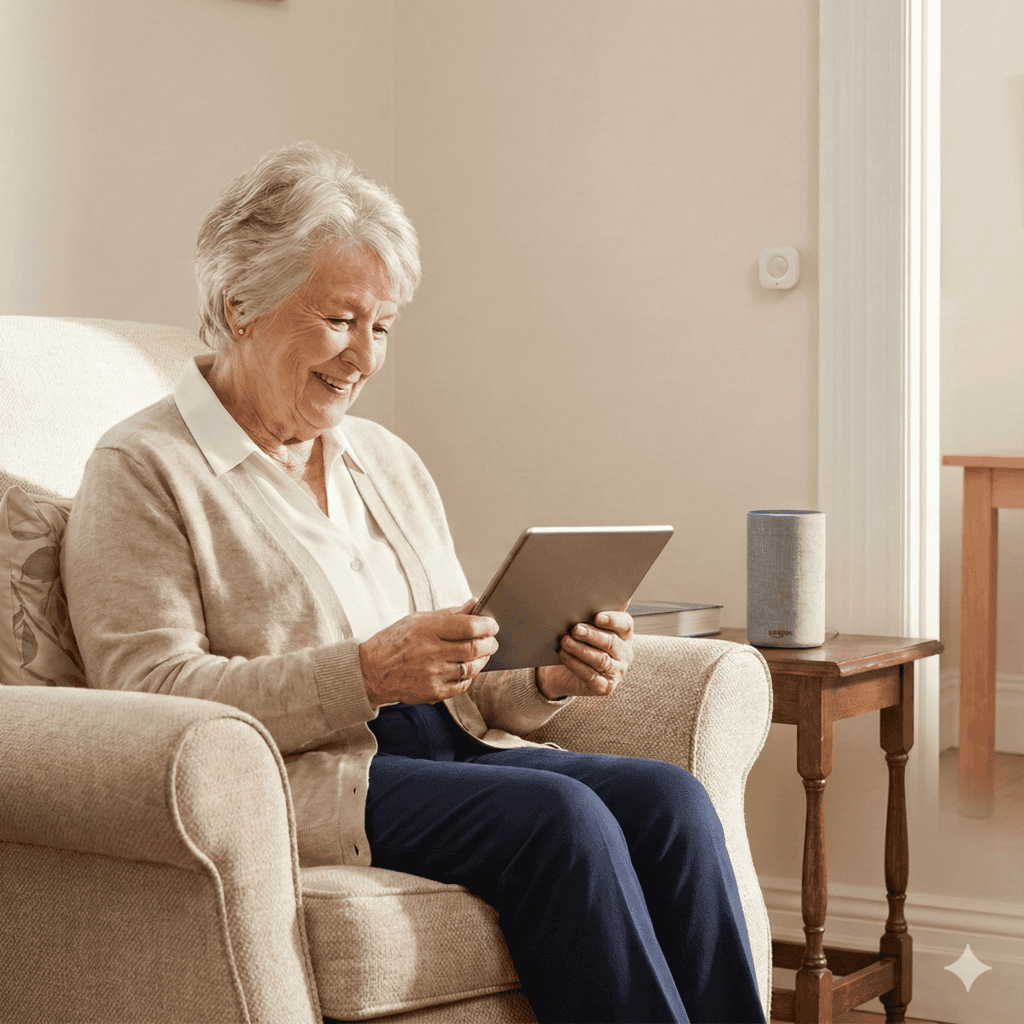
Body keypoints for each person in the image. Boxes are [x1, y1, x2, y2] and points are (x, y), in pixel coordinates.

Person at [63, 142, 765, 1024]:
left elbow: (466, 678)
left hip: (444, 744)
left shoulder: (383, 460)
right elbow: (147, 696)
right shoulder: (144, 467)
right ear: (241, 307)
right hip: (306, 771)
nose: (364, 357)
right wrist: (362, 674)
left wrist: (544, 677)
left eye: (382, 327)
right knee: (560, 819)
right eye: (338, 320)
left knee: (669, 799)